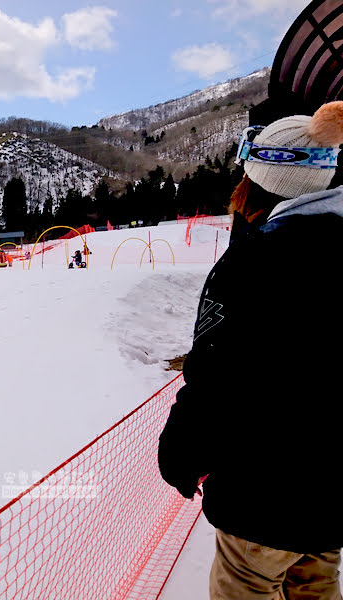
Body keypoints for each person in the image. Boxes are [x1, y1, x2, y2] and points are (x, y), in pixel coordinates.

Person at [158, 101, 343, 600]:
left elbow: (217, 374)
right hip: (332, 492)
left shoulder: (252, 262)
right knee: (317, 585)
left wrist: (181, 452)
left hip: (265, 492)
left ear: (262, 178)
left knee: (246, 586)